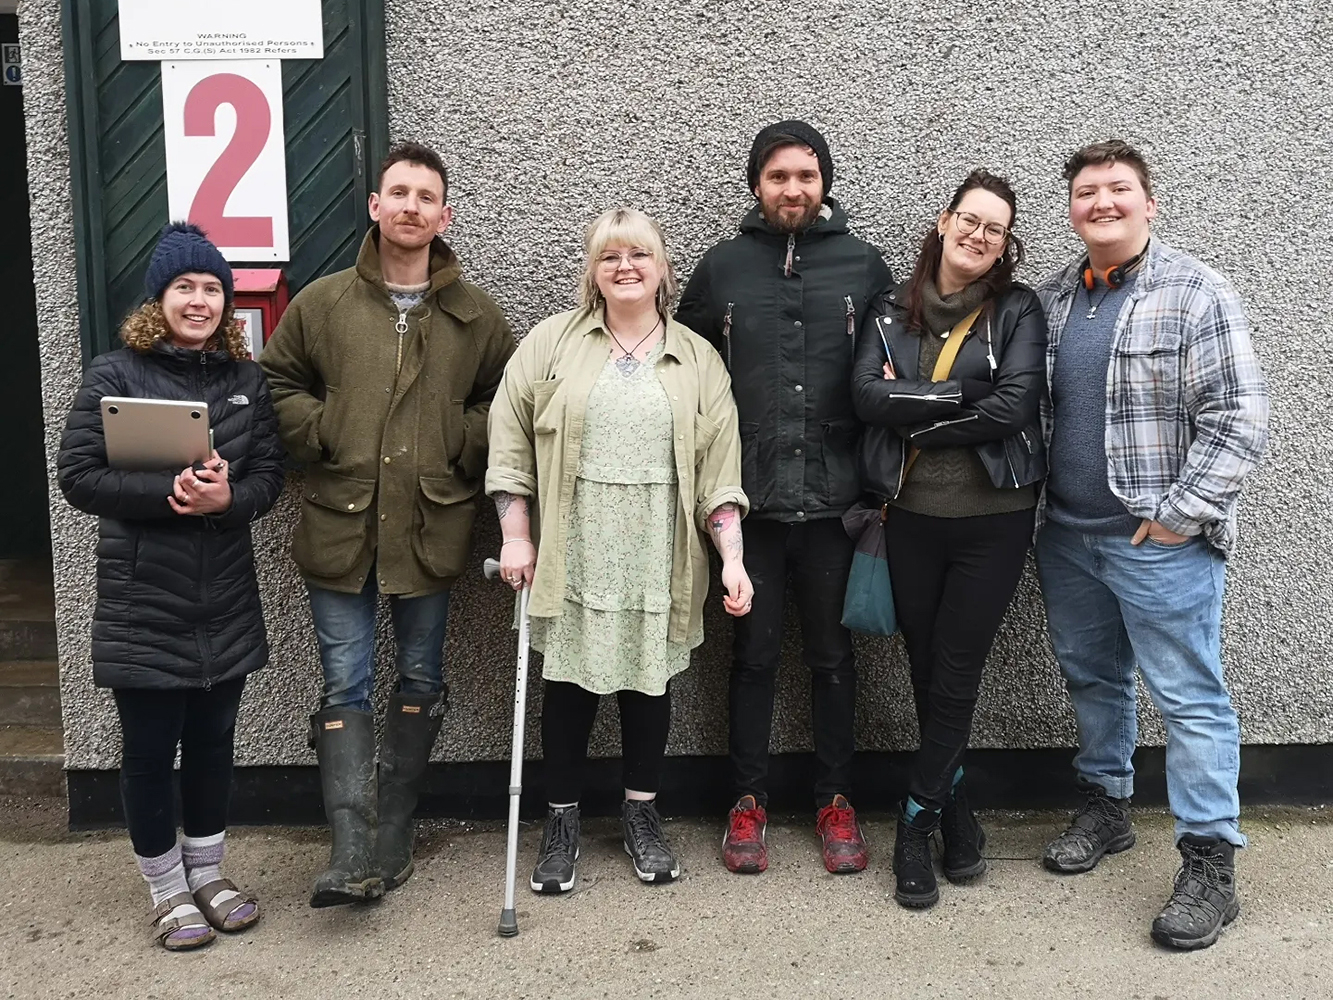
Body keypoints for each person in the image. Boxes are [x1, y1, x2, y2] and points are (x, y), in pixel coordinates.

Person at [260, 142, 515, 907]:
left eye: (424, 196)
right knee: (344, 678)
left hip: (430, 525)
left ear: (444, 215)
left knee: (419, 676)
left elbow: (504, 401)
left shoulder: (475, 315)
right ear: (375, 206)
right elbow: (276, 380)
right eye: (397, 192)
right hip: (341, 523)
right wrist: (326, 430)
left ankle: (394, 832)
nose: (410, 206)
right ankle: (348, 846)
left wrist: (457, 443)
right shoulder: (324, 303)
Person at [1034, 140, 1269, 950]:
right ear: (1070, 207)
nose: (1101, 202)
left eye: (1117, 190)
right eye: (1086, 192)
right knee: (1093, 678)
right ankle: (1107, 807)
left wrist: (1179, 512)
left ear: (1148, 202)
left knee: (1189, 699)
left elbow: (1238, 417)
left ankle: (1209, 864)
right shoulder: (1055, 296)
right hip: (1064, 535)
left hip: (1158, 543)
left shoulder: (1196, 291)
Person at [486, 207, 752, 892]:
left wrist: (730, 556)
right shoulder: (551, 344)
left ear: (663, 269)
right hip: (571, 549)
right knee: (568, 685)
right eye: (609, 257)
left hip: (657, 549)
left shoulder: (696, 358)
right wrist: (516, 535)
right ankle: (561, 819)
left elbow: (720, 469)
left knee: (647, 684)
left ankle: (641, 813)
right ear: (593, 272)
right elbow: (509, 441)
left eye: (639, 255)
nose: (625, 267)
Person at [56, 223, 285, 951]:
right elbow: (80, 477)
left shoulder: (249, 381)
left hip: (225, 597)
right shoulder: (113, 375)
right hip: (143, 600)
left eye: (212, 287)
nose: (199, 300)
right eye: (185, 287)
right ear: (160, 298)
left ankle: (208, 873)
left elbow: (269, 479)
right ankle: (166, 889)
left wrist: (230, 500)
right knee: (151, 750)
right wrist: (172, 491)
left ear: (227, 300)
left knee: (215, 742)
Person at [675, 120, 894, 875]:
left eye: (805, 175)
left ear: (824, 182)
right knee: (753, 658)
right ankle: (747, 803)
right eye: (777, 176)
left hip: (838, 503)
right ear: (756, 185)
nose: (792, 189)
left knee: (834, 659)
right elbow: (689, 370)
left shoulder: (863, 267)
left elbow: (889, 371)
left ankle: (836, 801)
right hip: (752, 504)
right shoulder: (723, 267)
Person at [852, 170, 1046, 908]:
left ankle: (911, 822)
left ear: (1004, 246)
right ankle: (956, 815)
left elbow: (1014, 406)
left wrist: (915, 412)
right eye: (969, 220)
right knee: (926, 670)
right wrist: (961, 395)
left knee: (957, 671)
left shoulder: (1018, 309)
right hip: (909, 518)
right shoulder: (884, 309)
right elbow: (865, 396)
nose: (977, 236)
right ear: (942, 222)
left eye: (993, 229)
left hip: (994, 519)